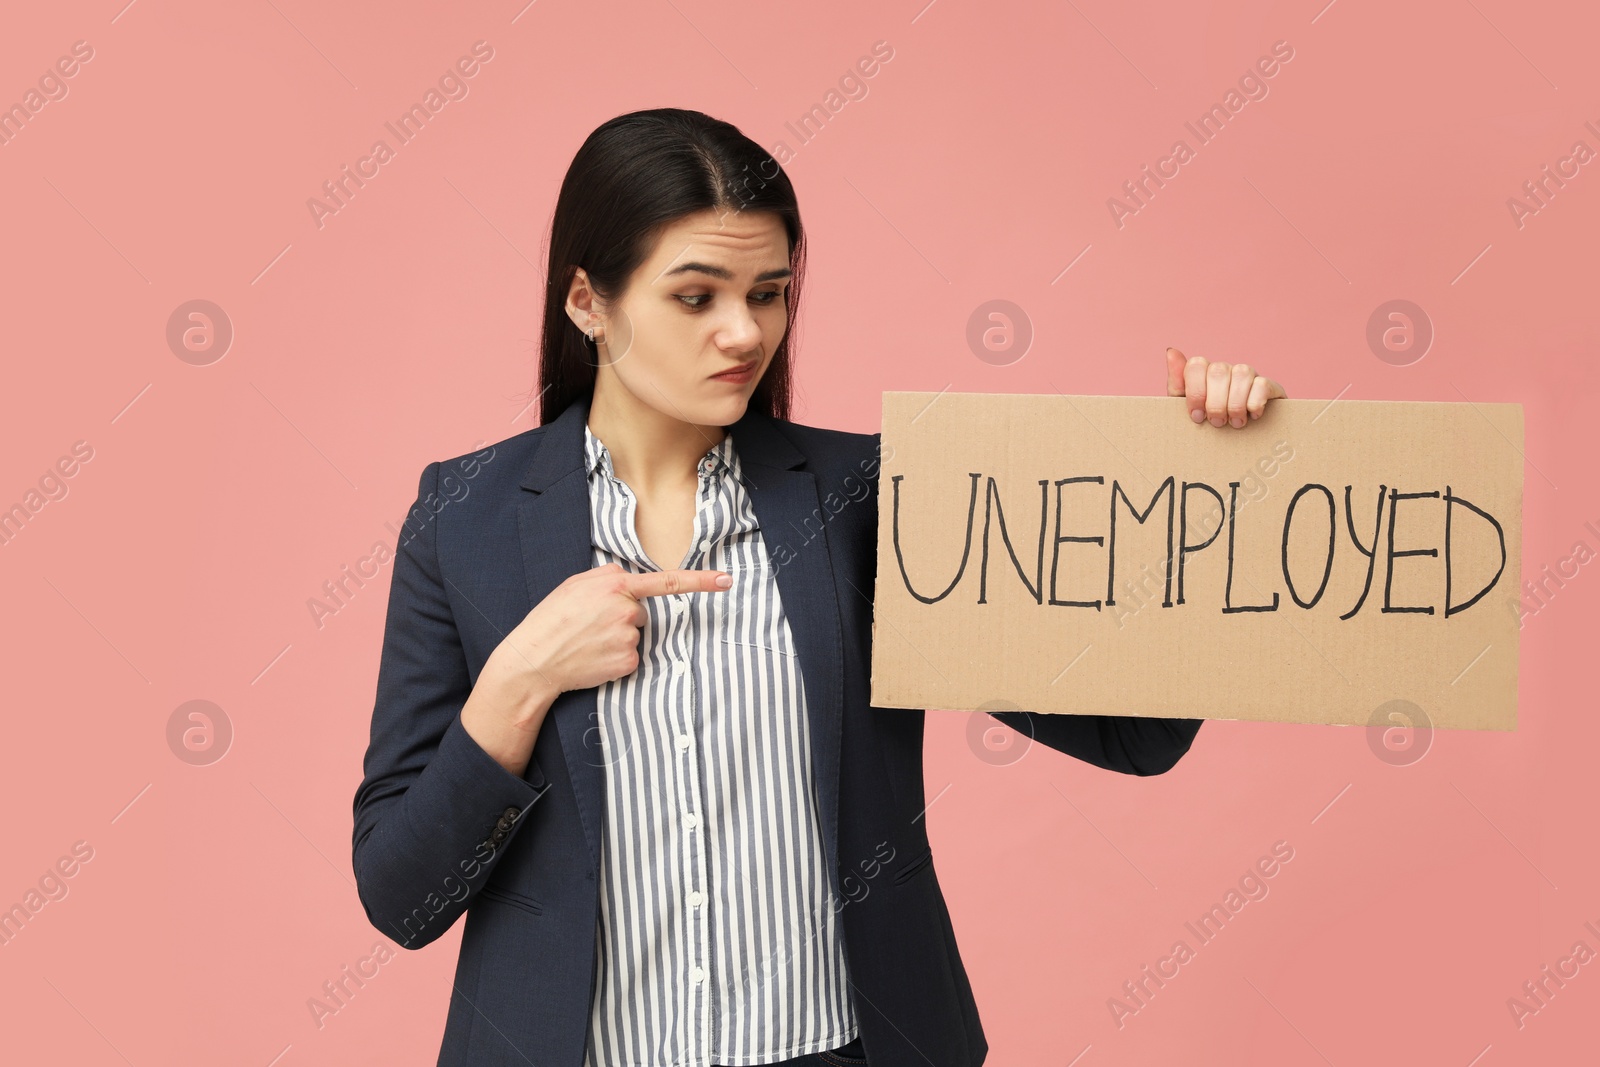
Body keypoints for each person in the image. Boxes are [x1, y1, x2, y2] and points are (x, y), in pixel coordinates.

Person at [351, 107, 1289, 1067]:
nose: (742, 332)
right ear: (587, 301)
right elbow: (403, 895)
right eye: (695, 296)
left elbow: (1133, 735)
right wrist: (518, 681)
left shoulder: (872, 498)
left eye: (768, 292)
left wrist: (1205, 490)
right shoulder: (462, 517)